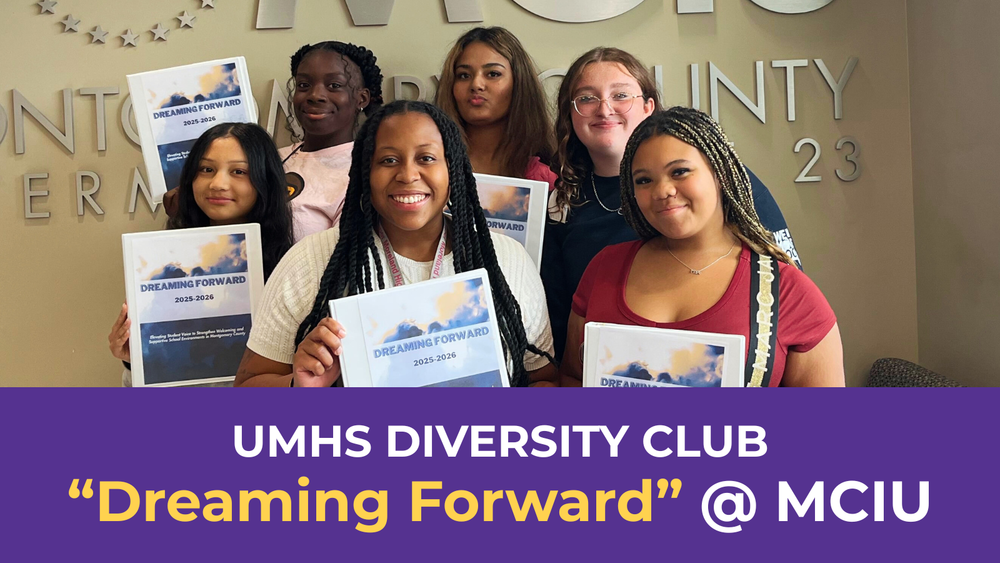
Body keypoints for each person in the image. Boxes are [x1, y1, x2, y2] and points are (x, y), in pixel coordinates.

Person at [234, 100, 555, 388]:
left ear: (453, 169)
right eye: (388, 160)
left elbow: (543, 380)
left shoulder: (506, 259)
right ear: (365, 172)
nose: (408, 175)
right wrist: (299, 387)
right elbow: (247, 387)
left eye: (426, 158)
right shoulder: (310, 261)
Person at [542, 47, 800, 362]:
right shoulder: (560, 203)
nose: (604, 108)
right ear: (570, 114)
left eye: (620, 95)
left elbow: (787, 288)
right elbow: (558, 320)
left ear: (648, 107)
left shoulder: (723, 181)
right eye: (586, 98)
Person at [560, 107, 844, 387]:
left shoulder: (787, 291)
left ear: (720, 174)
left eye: (680, 172)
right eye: (644, 180)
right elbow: (572, 378)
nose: (662, 191)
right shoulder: (605, 268)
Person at [108, 122, 295, 385]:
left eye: (239, 171)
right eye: (206, 169)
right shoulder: (162, 263)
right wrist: (136, 360)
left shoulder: (292, 268)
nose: (218, 184)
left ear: (265, 181)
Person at [280, 41, 385, 241]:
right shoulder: (272, 158)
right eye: (304, 85)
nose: (315, 95)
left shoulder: (366, 172)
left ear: (362, 98)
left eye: (334, 86)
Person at [435, 26, 556, 189]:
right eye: (464, 75)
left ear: (519, 83)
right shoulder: (427, 167)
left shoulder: (545, 179)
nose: (476, 84)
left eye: (493, 74)